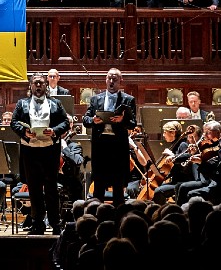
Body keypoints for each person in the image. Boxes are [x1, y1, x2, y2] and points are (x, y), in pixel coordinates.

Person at [11, 73, 70, 235]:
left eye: (41, 83)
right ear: (30, 86)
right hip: (30, 151)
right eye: (35, 83)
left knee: (51, 188)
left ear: (45, 86)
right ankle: (38, 224)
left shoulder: (56, 103)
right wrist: (24, 131)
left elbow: (65, 122)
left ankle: (55, 224)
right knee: (34, 189)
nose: (38, 86)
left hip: (50, 150)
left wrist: (55, 131)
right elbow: (13, 122)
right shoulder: (22, 103)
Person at [82, 68, 137, 202]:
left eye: (115, 79)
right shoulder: (96, 99)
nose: (111, 82)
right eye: (109, 79)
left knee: (118, 187)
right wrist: (93, 121)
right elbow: (85, 120)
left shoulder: (128, 100)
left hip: (118, 148)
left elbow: (133, 123)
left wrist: (122, 120)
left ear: (120, 81)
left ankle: (119, 218)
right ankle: (97, 218)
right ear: (106, 80)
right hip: (101, 148)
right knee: (99, 186)